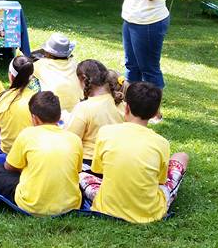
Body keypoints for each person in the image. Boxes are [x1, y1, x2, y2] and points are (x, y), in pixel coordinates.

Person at [79, 82, 190, 224]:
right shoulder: (161, 143)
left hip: (106, 207)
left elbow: (99, 170)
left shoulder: (106, 132)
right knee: (182, 156)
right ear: (156, 113)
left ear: (126, 108)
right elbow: (161, 181)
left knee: (82, 174)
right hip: (149, 212)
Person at [0, 91, 83, 216]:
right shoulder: (74, 139)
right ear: (59, 116)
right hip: (70, 206)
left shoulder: (27, 134)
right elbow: (76, 171)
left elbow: (9, 167)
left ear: (34, 118)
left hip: (31, 205)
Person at [66, 59, 125, 171]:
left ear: (83, 78)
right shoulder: (123, 105)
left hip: (90, 166)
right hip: (117, 163)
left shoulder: (84, 108)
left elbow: (70, 141)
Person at [0, 55, 39, 154]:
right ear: (31, 78)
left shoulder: (1, 98)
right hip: (29, 153)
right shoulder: (37, 100)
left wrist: (2, 143)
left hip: (6, 151)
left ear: (11, 75)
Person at [31, 33, 82, 113]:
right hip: (76, 110)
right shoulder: (74, 63)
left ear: (48, 53)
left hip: (52, 111)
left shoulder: (40, 65)